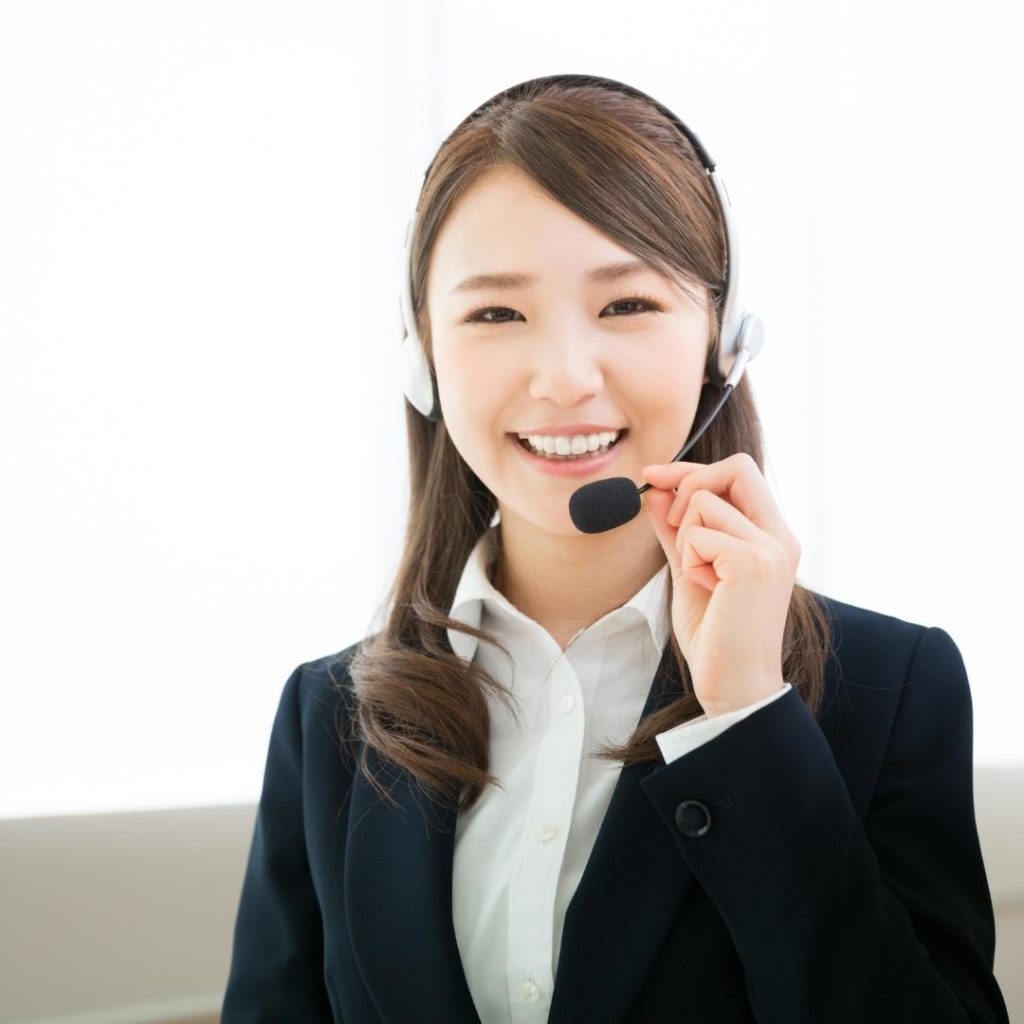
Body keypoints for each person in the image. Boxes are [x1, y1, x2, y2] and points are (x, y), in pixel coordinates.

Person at [221, 74, 1010, 1023]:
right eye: (495, 313)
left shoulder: (892, 687)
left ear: (723, 340)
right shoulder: (331, 718)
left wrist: (748, 719)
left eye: (627, 305)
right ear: (421, 357)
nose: (563, 378)